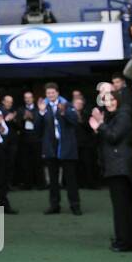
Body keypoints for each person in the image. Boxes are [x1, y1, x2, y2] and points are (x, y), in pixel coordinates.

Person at [93, 91, 132, 251]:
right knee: (123, 206)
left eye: (112, 99)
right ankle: (126, 239)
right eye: (106, 100)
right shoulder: (113, 116)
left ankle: (125, 242)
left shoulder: (123, 115)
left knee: (123, 207)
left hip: (121, 167)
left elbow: (114, 136)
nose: (109, 103)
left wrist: (100, 124)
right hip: (116, 166)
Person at [37, 83, 80, 215]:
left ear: (57, 93)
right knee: (53, 179)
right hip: (51, 147)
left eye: (52, 93)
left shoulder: (67, 104)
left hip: (66, 146)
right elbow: (37, 129)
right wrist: (41, 112)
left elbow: (74, 121)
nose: (50, 95)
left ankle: (75, 206)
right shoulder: (43, 106)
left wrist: (63, 112)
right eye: (48, 93)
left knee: (70, 179)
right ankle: (54, 205)